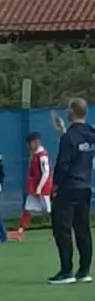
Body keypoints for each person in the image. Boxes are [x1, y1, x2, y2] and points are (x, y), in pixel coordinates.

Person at [49, 97, 95, 284]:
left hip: (68, 187)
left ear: (71, 112)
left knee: (63, 229)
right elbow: (80, 148)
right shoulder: (91, 133)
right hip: (85, 186)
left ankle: (66, 271)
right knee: (83, 229)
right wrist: (63, 131)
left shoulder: (69, 138)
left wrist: (55, 185)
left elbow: (64, 164)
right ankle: (84, 271)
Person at [9, 132, 52, 242]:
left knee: (50, 211)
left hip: (44, 189)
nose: (28, 146)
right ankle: (20, 232)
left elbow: (46, 173)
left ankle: (59, 233)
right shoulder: (34, 154)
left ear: (36, 142)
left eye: (30, 143)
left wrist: (39, 188)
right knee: (28, 209)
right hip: (35, 188)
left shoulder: (42, 155)